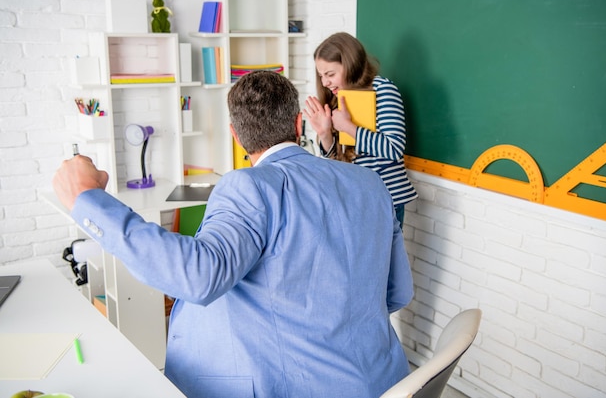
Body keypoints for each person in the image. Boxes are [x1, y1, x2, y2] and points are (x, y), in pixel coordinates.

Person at [53, 71, 414, 398]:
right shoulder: (370, 183)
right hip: (383, 382)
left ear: (235, 134)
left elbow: (198, 276)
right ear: (299, 122)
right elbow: (397, 292)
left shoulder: (249, 186)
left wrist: (89, 201)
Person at [304, 32, 418, 227]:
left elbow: (394, 148)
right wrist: (325, 135)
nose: (324, 82)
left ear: (351, 65)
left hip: (384, 200)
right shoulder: (337, 98)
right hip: (351, 200)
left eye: (330, 74)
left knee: (382, 258)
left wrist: (348, 127)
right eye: (321, 75)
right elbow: (338, 163)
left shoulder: (382, 89)